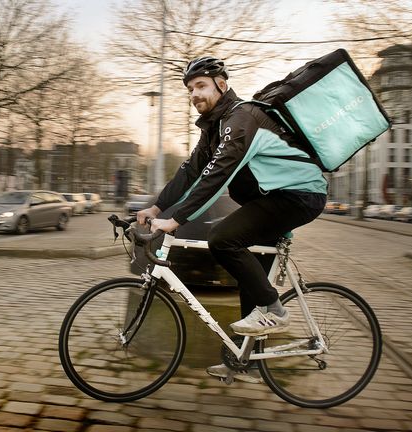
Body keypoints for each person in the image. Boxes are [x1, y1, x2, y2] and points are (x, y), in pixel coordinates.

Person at [136, 56, 328, 382]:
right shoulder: (213, 128)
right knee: (249, 281)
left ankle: (277, 311)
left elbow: (217, 175)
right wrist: (157, 209)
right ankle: (244, 360)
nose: (194, 93)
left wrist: (176, 220)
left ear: (221, 85)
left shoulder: (241, 118)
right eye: (190, 89)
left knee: (223, 238)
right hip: (272, 200)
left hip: (299, 194)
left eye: (201, 85)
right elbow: (190, 172)